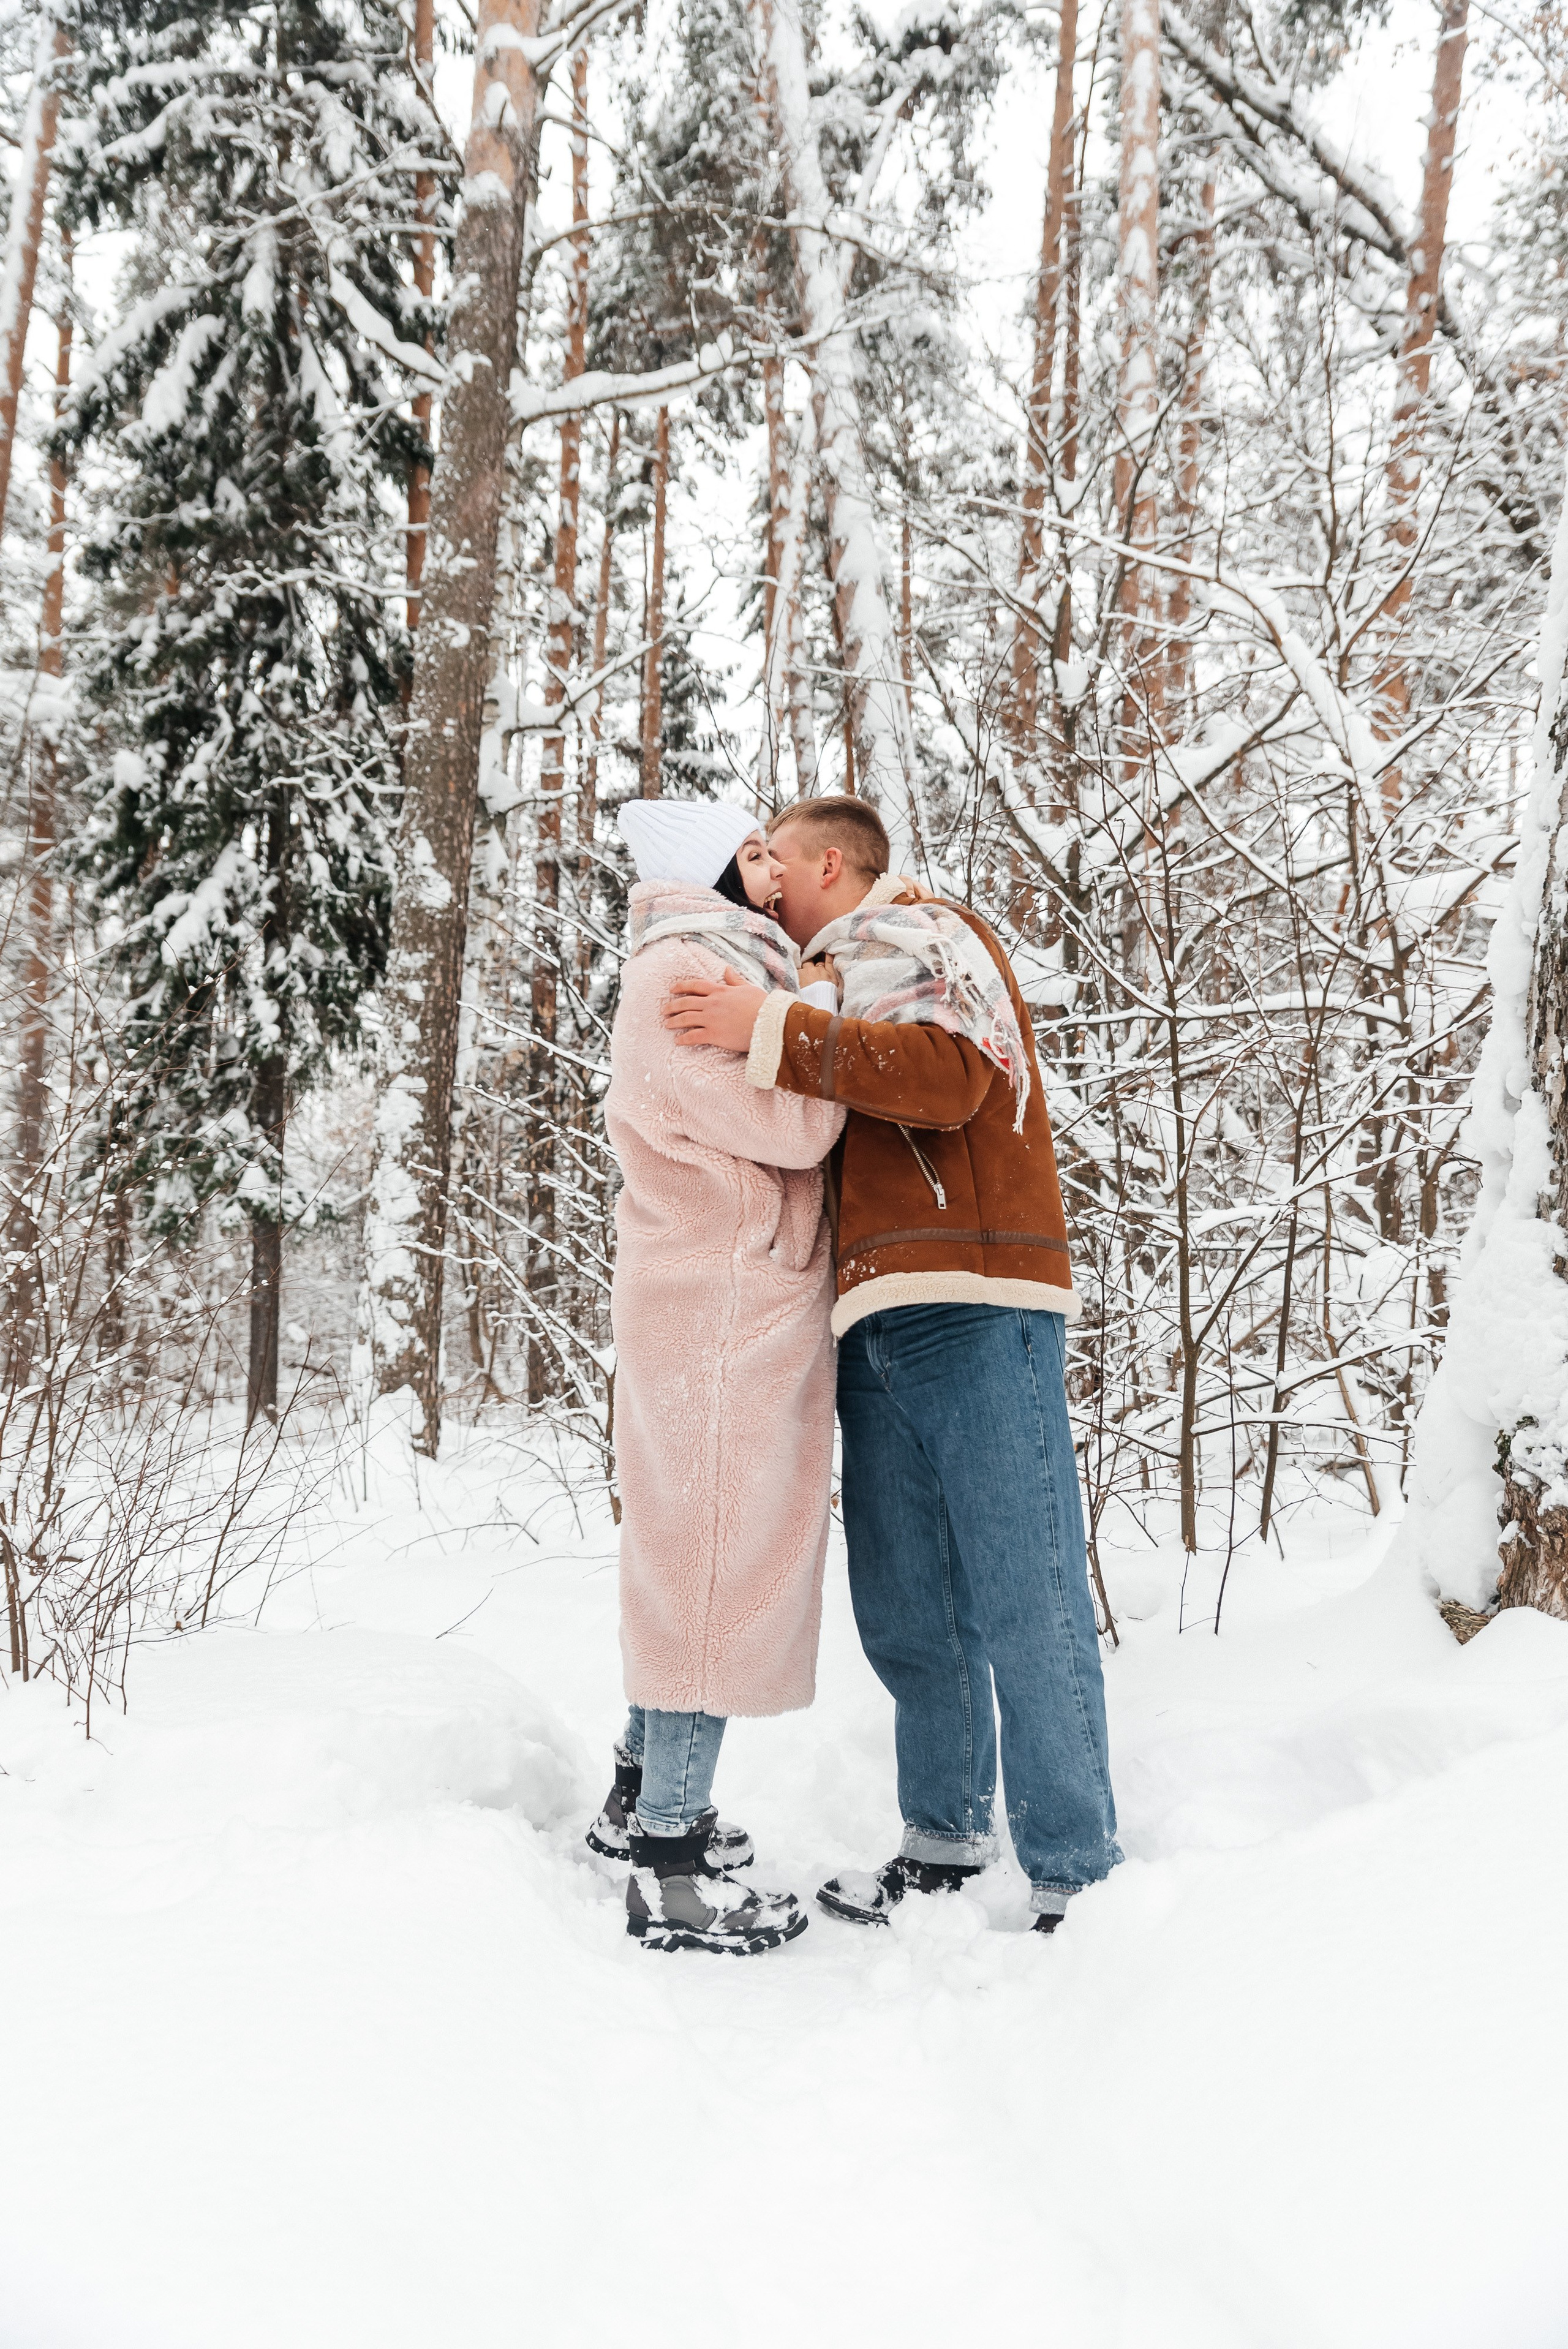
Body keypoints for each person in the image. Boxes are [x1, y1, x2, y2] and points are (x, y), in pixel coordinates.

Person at [663, 794, 1121, 1935]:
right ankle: (945, 1839)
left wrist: (763, 1026)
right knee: (910, 1602)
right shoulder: (832, 968)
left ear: (831, 862)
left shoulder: (913, 933)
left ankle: (1076, 1869)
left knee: (1026, 1589)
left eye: (775, 851)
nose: (760, 871)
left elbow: (946, 1077)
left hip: (972, 1297)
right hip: (872, 1312)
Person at [589, 796, 845, 1955]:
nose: (768, 872)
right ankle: (671, 1867)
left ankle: (638, 1802)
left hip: (717, 1295)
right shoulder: (686, 974)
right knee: (709, 1567)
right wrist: (821, 1021)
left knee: (690, 1550)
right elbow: (793, 1129)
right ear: (709, 876)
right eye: (748, 854)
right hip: (720, 1304)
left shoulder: (712, 963)